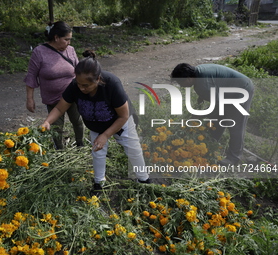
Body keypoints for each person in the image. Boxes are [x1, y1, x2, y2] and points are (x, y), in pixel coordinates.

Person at [41, 50, 150, 193]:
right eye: (79, 84)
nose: (81, 88)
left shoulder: (112, 84)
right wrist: (48, 121)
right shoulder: (75, 86)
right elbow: (60, 108)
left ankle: (144, 180)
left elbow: (123, 116)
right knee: (97, 152)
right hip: (96, 125)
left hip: (120, 122)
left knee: (133, 150)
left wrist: (106, 135)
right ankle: (99, 183)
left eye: (86, 85)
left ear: (98, 79)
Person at [170, 63, 254, 166]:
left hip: (241, 90)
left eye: (180, 82)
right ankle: (210, 147)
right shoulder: (198, 73)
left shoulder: (203, 85)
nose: (181, 86)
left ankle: (234, 158)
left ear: (188, 78)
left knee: (235, 125)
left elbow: (216, 106)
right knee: (216, 120)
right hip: (228, 91)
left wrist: (199, 115)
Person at [24, 21, 84, 149]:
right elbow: (31, 76)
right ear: (56, 37)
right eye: (66, 39)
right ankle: (60, 150)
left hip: (72, 96)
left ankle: (81, 144)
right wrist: (30, 99)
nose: (69, 43)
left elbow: (78, 71)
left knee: (78, 122)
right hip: (53, 99)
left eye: (70, 39)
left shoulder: (70, 50)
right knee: (57, 127)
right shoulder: (39, 52)